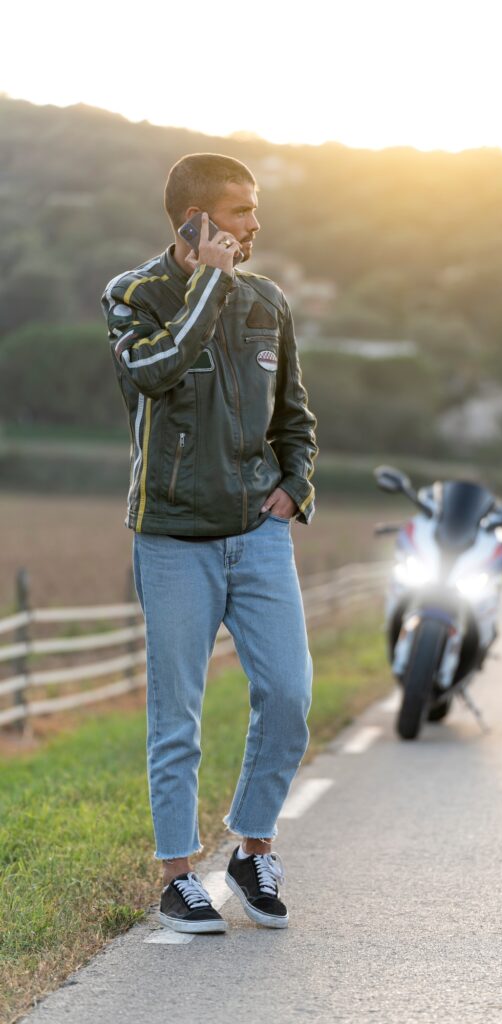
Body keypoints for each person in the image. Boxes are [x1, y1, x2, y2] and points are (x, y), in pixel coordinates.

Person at [101, 152, 318, 933]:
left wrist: (295, 486)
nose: (254, 224)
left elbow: (293, 415)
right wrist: (210, 284)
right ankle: (175, 874)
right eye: (238, 211)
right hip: (172, 536)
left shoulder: (269, 303)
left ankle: (251, 849)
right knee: (178, 713)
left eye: (256, 209)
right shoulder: (134, 295)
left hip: (256, 533)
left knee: (289, 695)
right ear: (193, 219)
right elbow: (156, 371)